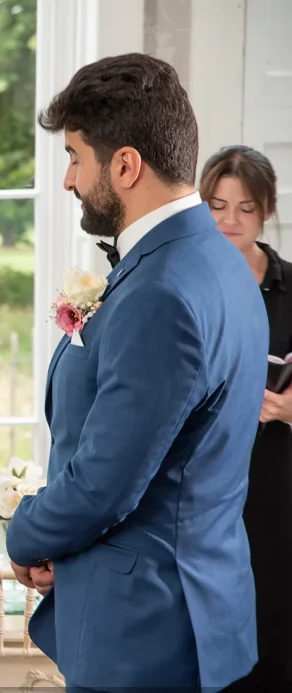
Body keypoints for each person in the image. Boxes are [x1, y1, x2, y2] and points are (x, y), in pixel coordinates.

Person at [4, 54, 268, 691]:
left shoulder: (161, 293)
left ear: (125, 165)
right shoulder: (221, 262)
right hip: (201, 603)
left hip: (146, 633)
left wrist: (24, 532)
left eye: (74, 157)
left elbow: (103, 484)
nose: (68, 180)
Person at [200, 145, 292, 687]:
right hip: (207, 482)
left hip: (277, 484)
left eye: (245, 208)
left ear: (266, 211)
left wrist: (281, 407)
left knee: (274, 623)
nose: (230, 221)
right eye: (216, 206)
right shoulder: (187, 282)